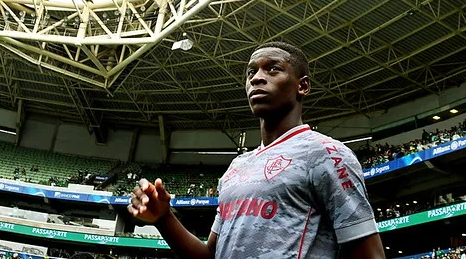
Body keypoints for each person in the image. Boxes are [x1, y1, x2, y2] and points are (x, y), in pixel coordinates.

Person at [128, 41, 386, 258]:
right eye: (251, 73)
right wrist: (164, 218)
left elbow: (369, 253)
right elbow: (210, 256)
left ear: (302, 86)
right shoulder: (237, 167)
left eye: (273, 69)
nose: (257, 78)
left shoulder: (326, 153)